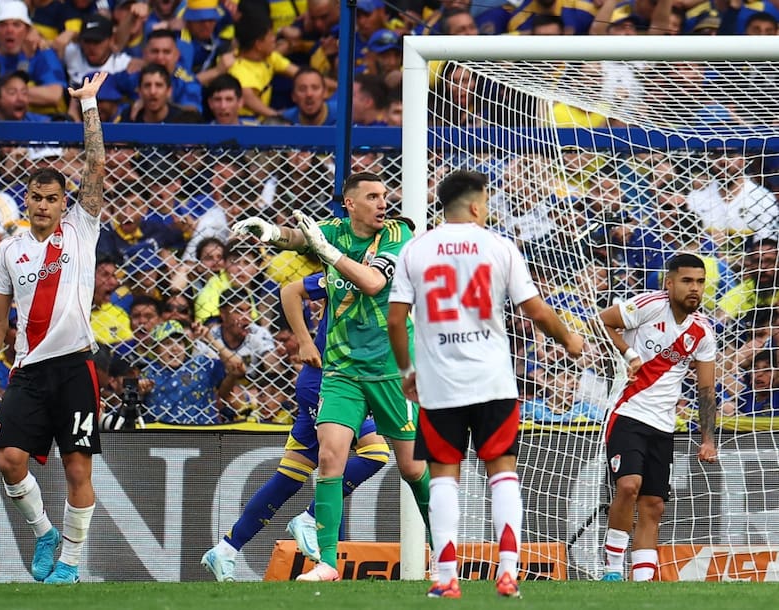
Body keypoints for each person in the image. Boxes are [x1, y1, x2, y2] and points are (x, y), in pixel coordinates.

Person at [386, 170, 585, 599]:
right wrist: (569, 338)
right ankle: (509, 571)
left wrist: (407, 373)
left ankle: (445, 577)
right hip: (494, 381)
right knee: (503, 473)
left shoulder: (415, 250)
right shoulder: (499, 247)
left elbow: (395, 319)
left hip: (439, 384)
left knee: (442, 477)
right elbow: (535, 310)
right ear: (477, 205)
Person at [232, 171, 431, 582]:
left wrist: (329, 252)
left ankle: (444, 550)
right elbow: (298, 237)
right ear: (350, 204)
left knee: (412, 468)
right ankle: (327, 562)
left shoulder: (397, 235)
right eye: (372, 197)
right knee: (329, 457)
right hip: (342, 370)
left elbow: (374, 282)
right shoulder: (333, 231)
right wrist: (269, 232)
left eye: (384, 196)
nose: (382, 203)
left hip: (390, 370)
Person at [0, 72, 108, 585]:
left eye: (53, 198)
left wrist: (88, 105)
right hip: (27, 369)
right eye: (36, 198)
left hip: (75, 365)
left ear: (63, 201)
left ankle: (69, 564)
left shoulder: (82, 227)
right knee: (8, 459)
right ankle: (46, 533)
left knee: (77, 469)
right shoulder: (9, 250)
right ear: (27, 200)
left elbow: (96, 164)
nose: (45, 205)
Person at [201, 273, 390, 581]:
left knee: (289, 478)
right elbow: (290, 290)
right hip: (331, 382)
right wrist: (304, 341)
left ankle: (226, 549)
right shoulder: (349, 268)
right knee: (374, 454)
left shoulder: (386, 272)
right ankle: (311, 517)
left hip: (343, 380)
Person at [597, 252, 718, 582]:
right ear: (669, 282)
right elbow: (602, 320)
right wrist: (629, 353)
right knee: (628, 486)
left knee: (653, 505)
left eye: (699, 282)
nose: (694, 288)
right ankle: (610, 572)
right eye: (687, 281)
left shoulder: (703, 333)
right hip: (628, 413)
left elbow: (707, 390)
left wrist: (707, 439)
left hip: (664, 425)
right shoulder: (649, 305)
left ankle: (642, 584)